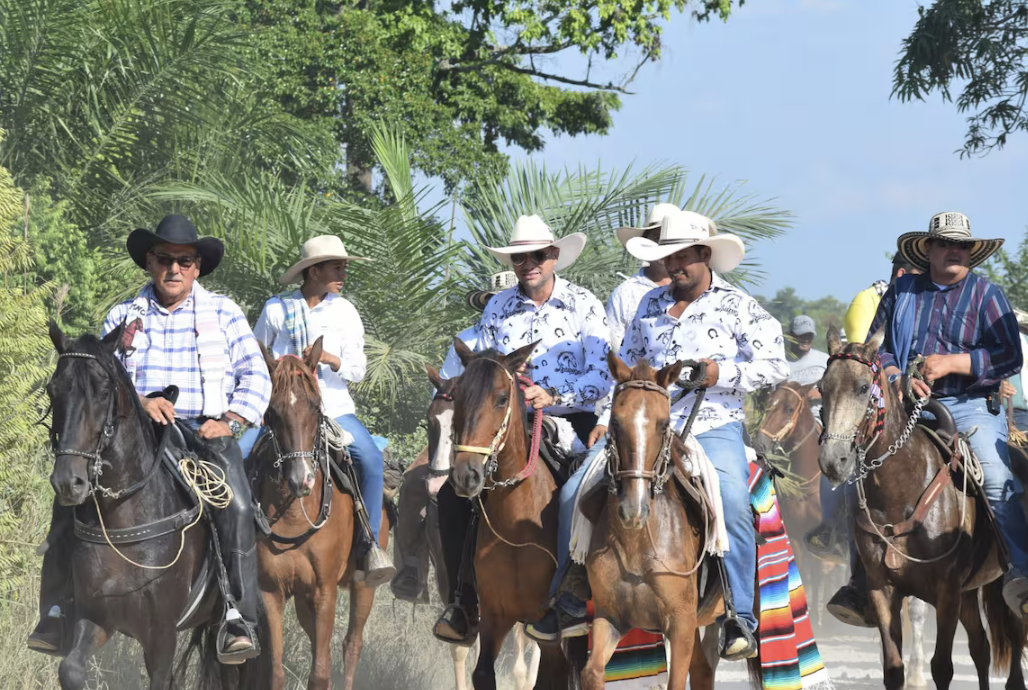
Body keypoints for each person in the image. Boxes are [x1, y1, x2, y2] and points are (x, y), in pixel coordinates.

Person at [527, 210, 789, 659]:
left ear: (705, 254)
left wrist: (718, 372)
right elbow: (623, 372)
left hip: (709, 426)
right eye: (667, 257)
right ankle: (567, 599)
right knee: (573, 491)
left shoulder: (739, 306)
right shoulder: (650, 305)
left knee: (729, 499)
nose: (673, 265)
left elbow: (776, 364)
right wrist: (608, 419)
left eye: (682, 256)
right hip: (639, 427)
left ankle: (739, 616)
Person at [28, 215, 271, 661]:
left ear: (197, 267)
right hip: (134, 435)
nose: (174, 269)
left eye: (184, 260)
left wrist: (233, 419)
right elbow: (98, 380)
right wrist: (140, 402)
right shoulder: (124, 316)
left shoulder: (223, 312)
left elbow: (255, 374)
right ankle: (58, 611)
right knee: (68, 498)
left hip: (203, 431)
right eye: (164, 259)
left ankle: (239, 615)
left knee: (235, 502)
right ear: (149, 263)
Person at [828, 211, 1028, 626]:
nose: (954, 250)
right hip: (904, 407)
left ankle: (1021, 574)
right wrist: (898, 376)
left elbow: (1011, 355)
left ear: (970, 252)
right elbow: (877, 347)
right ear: (929, 250)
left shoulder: (987, 295)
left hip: (969, 405)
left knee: (994, 475)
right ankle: (861, 581)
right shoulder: (902, 291)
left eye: (962, 245)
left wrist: (954, 363)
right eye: (945, 244)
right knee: (857, 472)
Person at [433, 214, 611, 644]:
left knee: (589, 491)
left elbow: (604, 374)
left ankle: (580, 594)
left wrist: (552, 392)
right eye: (519, 258)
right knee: (451, 497)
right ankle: (462, 602)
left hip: (572, 418)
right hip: (506, 422)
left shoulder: (584, 303)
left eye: (535, 255)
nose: (527, 263)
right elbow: (485, 370)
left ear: (553, 256)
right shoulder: (498, 306)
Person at [251, 235, 395, 587]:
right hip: (282, 415)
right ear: (312, 271)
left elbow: (358, 369)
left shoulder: (345, 312)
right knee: (237, 456)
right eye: (336, 266)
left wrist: (332, 360)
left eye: (343, 266)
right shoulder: (276, 310)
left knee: (371, 460)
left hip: (334, 410)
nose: (343, 272)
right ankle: (236, 544)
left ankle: (370, 545)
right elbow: (255, 359)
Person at [389, 271, 517, 601]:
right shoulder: (466, 339)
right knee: (414, 481)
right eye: (490, 301)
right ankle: (412, 565)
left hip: (507, 428)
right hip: (459, 430)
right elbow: (445, 389)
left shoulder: (522, 340)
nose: (496, 306)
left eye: (502, 300)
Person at [806, 255, 923, 560]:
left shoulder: (934, 300)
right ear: (902, 272)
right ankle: (835, 534)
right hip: (877, 393)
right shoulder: (870, 300)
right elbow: (860, 357)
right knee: (847, 458)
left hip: (933, 391)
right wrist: (896, 376)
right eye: (921, 272)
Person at [605, 203, 677, 350]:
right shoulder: (624, 294)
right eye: (657, 237)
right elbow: (614, 350)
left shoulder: (697, 290)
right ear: (643, 243)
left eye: (669, 238)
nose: (663, 245)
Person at [843, 256, 921, 345]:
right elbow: (861, 350)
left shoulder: (919, 305)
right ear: (901, 274)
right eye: (918, 278)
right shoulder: (867, 299)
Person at [785, 315, 828, 418]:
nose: (805, 339)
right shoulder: (780, 362)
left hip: (817, 417)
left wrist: (820, 393)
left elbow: (839, 389)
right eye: (801, 335)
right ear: (790, 335)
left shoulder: (825, 360)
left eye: (809, 336)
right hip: (787, 419)